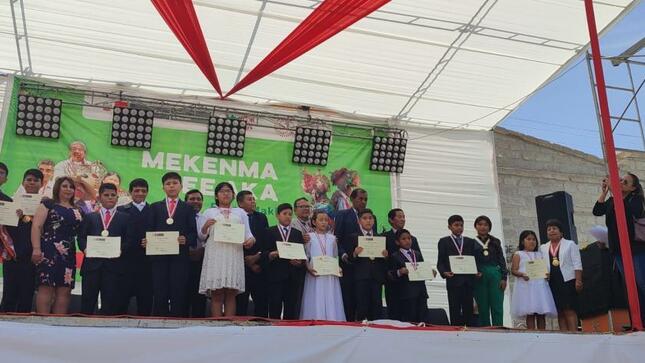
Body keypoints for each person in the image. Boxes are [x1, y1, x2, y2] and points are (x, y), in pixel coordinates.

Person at [593, 173, 645, 325]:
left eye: (625, 181)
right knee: (630, 286)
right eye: (620, 180)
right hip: (618, 249)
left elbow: (630, 211)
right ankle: (638, 320)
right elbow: (597, 210)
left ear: (633, 188)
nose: (620, 182)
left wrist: (614, 191)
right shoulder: (612, 200)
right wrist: (604, 192)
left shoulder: (635, 200)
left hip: (636, 249)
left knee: (641, 283)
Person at [144, 172, 197, 317]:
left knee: (178, 288)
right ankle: (158, 318)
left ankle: (176, 319)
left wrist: (186, 239)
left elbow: (193, 233)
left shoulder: (188, 208)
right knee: (159, 288)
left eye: (175, 183)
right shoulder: (155, 207)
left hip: (180, 257)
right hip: (158, 256)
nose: (171, 186)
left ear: (181, 186)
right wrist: (146, 240)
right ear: (163, 188)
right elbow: (149, 229)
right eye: (168, 184)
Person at [198, 182, 255, 317]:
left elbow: (249, 234)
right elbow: (201, 236)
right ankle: (217, 326)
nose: (225, 193)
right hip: (216, 254)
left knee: (231, 293)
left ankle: (229, 326)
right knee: (217, 293)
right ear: (216, 196)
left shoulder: (240, 212)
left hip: (233, 255)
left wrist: (250, 241)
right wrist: (205, 226)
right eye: (222, 191)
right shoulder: (209, 212)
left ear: (233, 195)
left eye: (229, 191)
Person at [31, 176, 83, 314]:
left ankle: (58, 325)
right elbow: (36, 227)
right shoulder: (48, 204)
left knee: (65, 290)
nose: (68, 189)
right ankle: (43, 323)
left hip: (68, 253)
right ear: (57, 187)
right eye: (65, 186)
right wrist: (36, 249)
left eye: (71, 187)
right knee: (46, 287)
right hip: (48, 250)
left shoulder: (77, 209)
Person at [78, 183, 130, 315]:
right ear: (99, 198)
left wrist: (121, 249)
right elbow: (81, 237)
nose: (110, 198)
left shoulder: (125, 218)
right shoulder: (90, 217)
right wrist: (85, 249)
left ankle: (107, 332)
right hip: (92, 266)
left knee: (110, 302)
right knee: (88, 301)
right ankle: (83, 330)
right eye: (106, 195)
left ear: (117, 198)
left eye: (113, 195)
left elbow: (129, 240)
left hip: (114, 266)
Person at [1, 169, 42, 313]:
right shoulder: (11, 202)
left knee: (27, 293)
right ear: (23, 182)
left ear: (41, 184)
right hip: (12, 255)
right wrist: (15, 215)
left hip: (33, 257)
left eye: (36, 180)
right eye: (29, 179)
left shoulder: (45, 206)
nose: (32, 182)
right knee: (9, 293)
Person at [334, 188, 376, 321]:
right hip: (348, 265)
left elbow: (373, 240)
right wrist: (344, 255)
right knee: (349, 298)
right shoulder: (342, 215)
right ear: (352, 199)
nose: (363, 202)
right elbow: (337, 239)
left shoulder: (371, 217)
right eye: (360, 199)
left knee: (366, 301)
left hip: (366, 267)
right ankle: (350, 325)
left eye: (366, 199)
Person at [260, 203, 306, 319]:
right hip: (275, 276)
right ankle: (274, 332)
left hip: (292, 277)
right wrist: (272, 254)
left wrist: (299, 262)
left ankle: (289, 333)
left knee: (291, 307)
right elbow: (263, 253)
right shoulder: (269, 232)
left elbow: (302, 254)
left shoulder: (297, 233)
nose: (287, 217)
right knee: (275, 306)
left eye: (290, 214)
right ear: (277, 215)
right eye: (284, 214)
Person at [343, 209, 388, 321]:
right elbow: (348, 259)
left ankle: (377, 328)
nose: (368, 221)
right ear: (359, 221)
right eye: (365, 218)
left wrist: (386, 256)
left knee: (377, 305)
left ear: (373, 220)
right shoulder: (353, 237)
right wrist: (354, 253)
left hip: (376, 277)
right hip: (361, 277)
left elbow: (384, 262)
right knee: (361, 305)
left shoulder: (380, 238)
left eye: (370, 218)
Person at [301, 210, 345, 321]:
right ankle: (315, 319)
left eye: (326, 220)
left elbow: (335, 256)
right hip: (315, 272)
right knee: (316, 295)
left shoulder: (333, 238)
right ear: (314, 222)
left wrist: (338, 268)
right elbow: (306, 255)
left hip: (330, 273)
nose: (324, 222)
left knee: (330, 295)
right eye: (321, 220)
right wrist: (308, 267)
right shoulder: (309, 237)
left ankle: (332, 319)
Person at [117, 178, 153, 315]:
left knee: (145, 301)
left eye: (143, 191)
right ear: (130, 192)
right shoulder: (120, 210)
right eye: (136, 190)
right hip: (125, 261)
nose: (140, 193)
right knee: (121, 299)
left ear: (147, 193)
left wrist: (152, 242)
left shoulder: (154, 210)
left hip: (147, 263)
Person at [539, 219, 583, 332]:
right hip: (552, 282)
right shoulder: (543, 247)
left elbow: (577, 263)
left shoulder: (570, 244)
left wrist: (578, 280)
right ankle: (564, 335)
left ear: (561, 232)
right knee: (559, 311)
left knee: (569, 309)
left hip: (568, 280)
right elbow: (541, 265)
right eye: (549, 229)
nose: (551, 231)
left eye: (554, 228)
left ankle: (574, 334)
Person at [436, 215, 480, 326]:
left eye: (461, 225)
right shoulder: (444, 241)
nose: (459, 228)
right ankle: (455, 332)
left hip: (468, 281)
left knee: (468, 309)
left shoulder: (470, 241)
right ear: (449, 227)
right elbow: (440, 261)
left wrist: (477, 271)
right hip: (453, 280)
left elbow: (475, 260)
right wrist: (444, 272)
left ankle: (469, 331)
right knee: (454, 308)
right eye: (456, 225)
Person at [510, 230, 556, 330]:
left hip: (540, 286)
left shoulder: (540, 254)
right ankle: (531, 333)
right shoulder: (518, 254)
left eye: (534, 239)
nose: (532, 242)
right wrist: (522, 274)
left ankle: (543, 333)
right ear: (522, 241)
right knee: (529, 312)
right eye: (529, 239)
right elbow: (513, 270)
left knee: (541, 312)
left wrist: (546, 275)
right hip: (526, 286)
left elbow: (544, 269)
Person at [382, 208, 421, 320]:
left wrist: (427, 270)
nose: (403, 219)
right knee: (395, 315)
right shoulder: (383, 237)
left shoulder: (413, 239)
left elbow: (419, 260)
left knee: (412, 316)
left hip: (411, 285)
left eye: (404, 217)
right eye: (399, 216)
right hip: (393, 283)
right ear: (390, 220)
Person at [235, 190, 269, 317]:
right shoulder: (235, 218)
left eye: (254, 199)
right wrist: (247, 261)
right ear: (240, 203)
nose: (253, 201)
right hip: (240, 265)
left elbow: (266, 241)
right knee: (241, 303)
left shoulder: (261, 217)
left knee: (261, 302)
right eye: (249, 199)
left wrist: (257, 258)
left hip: (259, 266)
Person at [388, 229, 433, 323]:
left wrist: (430, 272)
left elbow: (421, 268)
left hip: (421, 292)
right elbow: (390, 274)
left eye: (409, 238)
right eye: (403, 239)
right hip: (406, 293)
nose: (407, 241)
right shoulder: (395, 256)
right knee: (409, 319)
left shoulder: (417, 254)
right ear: (397, 242)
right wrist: (399, 272)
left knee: (423, 319)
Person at [472, 215, 508, 327]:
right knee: (482, 305)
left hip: (495, 273)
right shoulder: (471, 242)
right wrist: (474, 272)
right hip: (479, 275)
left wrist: (503, 277)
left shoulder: (495, 241)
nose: (483, 227)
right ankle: (485, 330)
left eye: (486, 225)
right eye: (480, 224)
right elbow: (471, 260)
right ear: (476, 226)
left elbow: (501, 259)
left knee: (497, 304)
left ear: (489, 227)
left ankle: (498, 328)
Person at [185, 189, 207, 318]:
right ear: (185, 201)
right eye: (192, 199)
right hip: (183, 260)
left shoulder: (207, 218)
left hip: (202, 261)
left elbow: (211, 237)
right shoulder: (179, 216)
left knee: (199, 295)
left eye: (199, 199)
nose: (196, 201)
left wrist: (202, 250)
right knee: (183, 294)